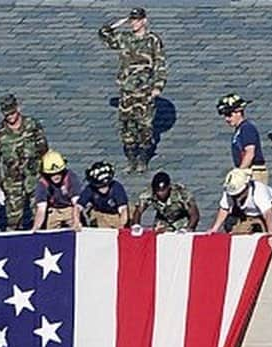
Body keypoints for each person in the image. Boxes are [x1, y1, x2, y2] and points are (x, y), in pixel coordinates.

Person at [98, 6, 167, 173]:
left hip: (144, 92)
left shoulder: (152, 40)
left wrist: (158, 86)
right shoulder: (125, 38)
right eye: (132, 20)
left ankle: (143, 159)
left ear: (144, 20)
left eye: (137, 20)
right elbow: (103, 33)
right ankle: (131, 160)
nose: (134, 23)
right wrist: (119, 23)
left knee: (145, 127)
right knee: (126, 127)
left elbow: (160, 64)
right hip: (127, 92)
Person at [0, 93, 49, 231]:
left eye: (12, 113)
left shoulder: (32, 126)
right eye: (7, 114)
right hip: (12, 182)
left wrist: (47, 178)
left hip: (35, 178)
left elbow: (44, 151)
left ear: (18, 109)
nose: (10, 117)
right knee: (13, 220)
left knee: (40, 214)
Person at [208, 167, 272, 235]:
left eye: (239, 194)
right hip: (247, 213)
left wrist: (271, 236)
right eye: (234, 195)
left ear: (247, 187)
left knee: (271, 229)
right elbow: (224, 209)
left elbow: (268, 214)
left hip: (270, 210)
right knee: (236, 230)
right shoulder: (229, 191)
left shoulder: (259, 192)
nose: (236, 197)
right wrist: (215, 229)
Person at [216, 93, 269, 184]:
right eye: (224, 115)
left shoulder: (247, 128)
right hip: (247, 170)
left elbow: (250, 153)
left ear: (239, 111)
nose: (227, 119)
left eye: (229, 114)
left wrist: (239, 173)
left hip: (253, 172)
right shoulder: (240, 130)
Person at [31, 151, 82, 231]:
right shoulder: (43, 183)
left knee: (77, 228)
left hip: (70, 208)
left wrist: (76, 221)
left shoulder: (71, 178)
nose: (56, 176)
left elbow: (77, 203)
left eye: (58, 173)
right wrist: (36, 228)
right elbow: (41, 209)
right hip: (53, 210)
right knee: (50, 232)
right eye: (52, 174)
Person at [133, 170, 199, 231]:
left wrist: (188, 228)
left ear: (168, 187)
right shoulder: (149, 193)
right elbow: (139, 210)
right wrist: (136, 226)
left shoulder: (181, 193)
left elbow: (194, 215)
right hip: (163, 220)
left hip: (181, 220)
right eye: (158, 191)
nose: (160, 193)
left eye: (163, 190)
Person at [78, 161, 129, 228]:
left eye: (106, 185)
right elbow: (78, 206)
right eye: (100, 186)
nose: (103, 188)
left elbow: (123, 210)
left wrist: (121, 226)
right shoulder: (90, 189)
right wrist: (76, 221)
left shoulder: (117, 187)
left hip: (116, 214)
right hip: (100, 213)